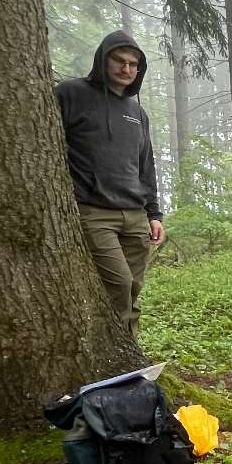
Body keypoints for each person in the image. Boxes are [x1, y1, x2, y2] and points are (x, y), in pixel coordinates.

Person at [56, 30, 164, 336]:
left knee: (133, 290)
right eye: (119, 60)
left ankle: (129, 355)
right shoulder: (71, 94)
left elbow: (146, 167)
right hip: (94, 212)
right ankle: (114, 358)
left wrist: (154, 214)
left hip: (135, 216)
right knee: (119, 284)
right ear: (103, 59)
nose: (126, 69)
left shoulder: (137, 113)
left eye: (133, 64)